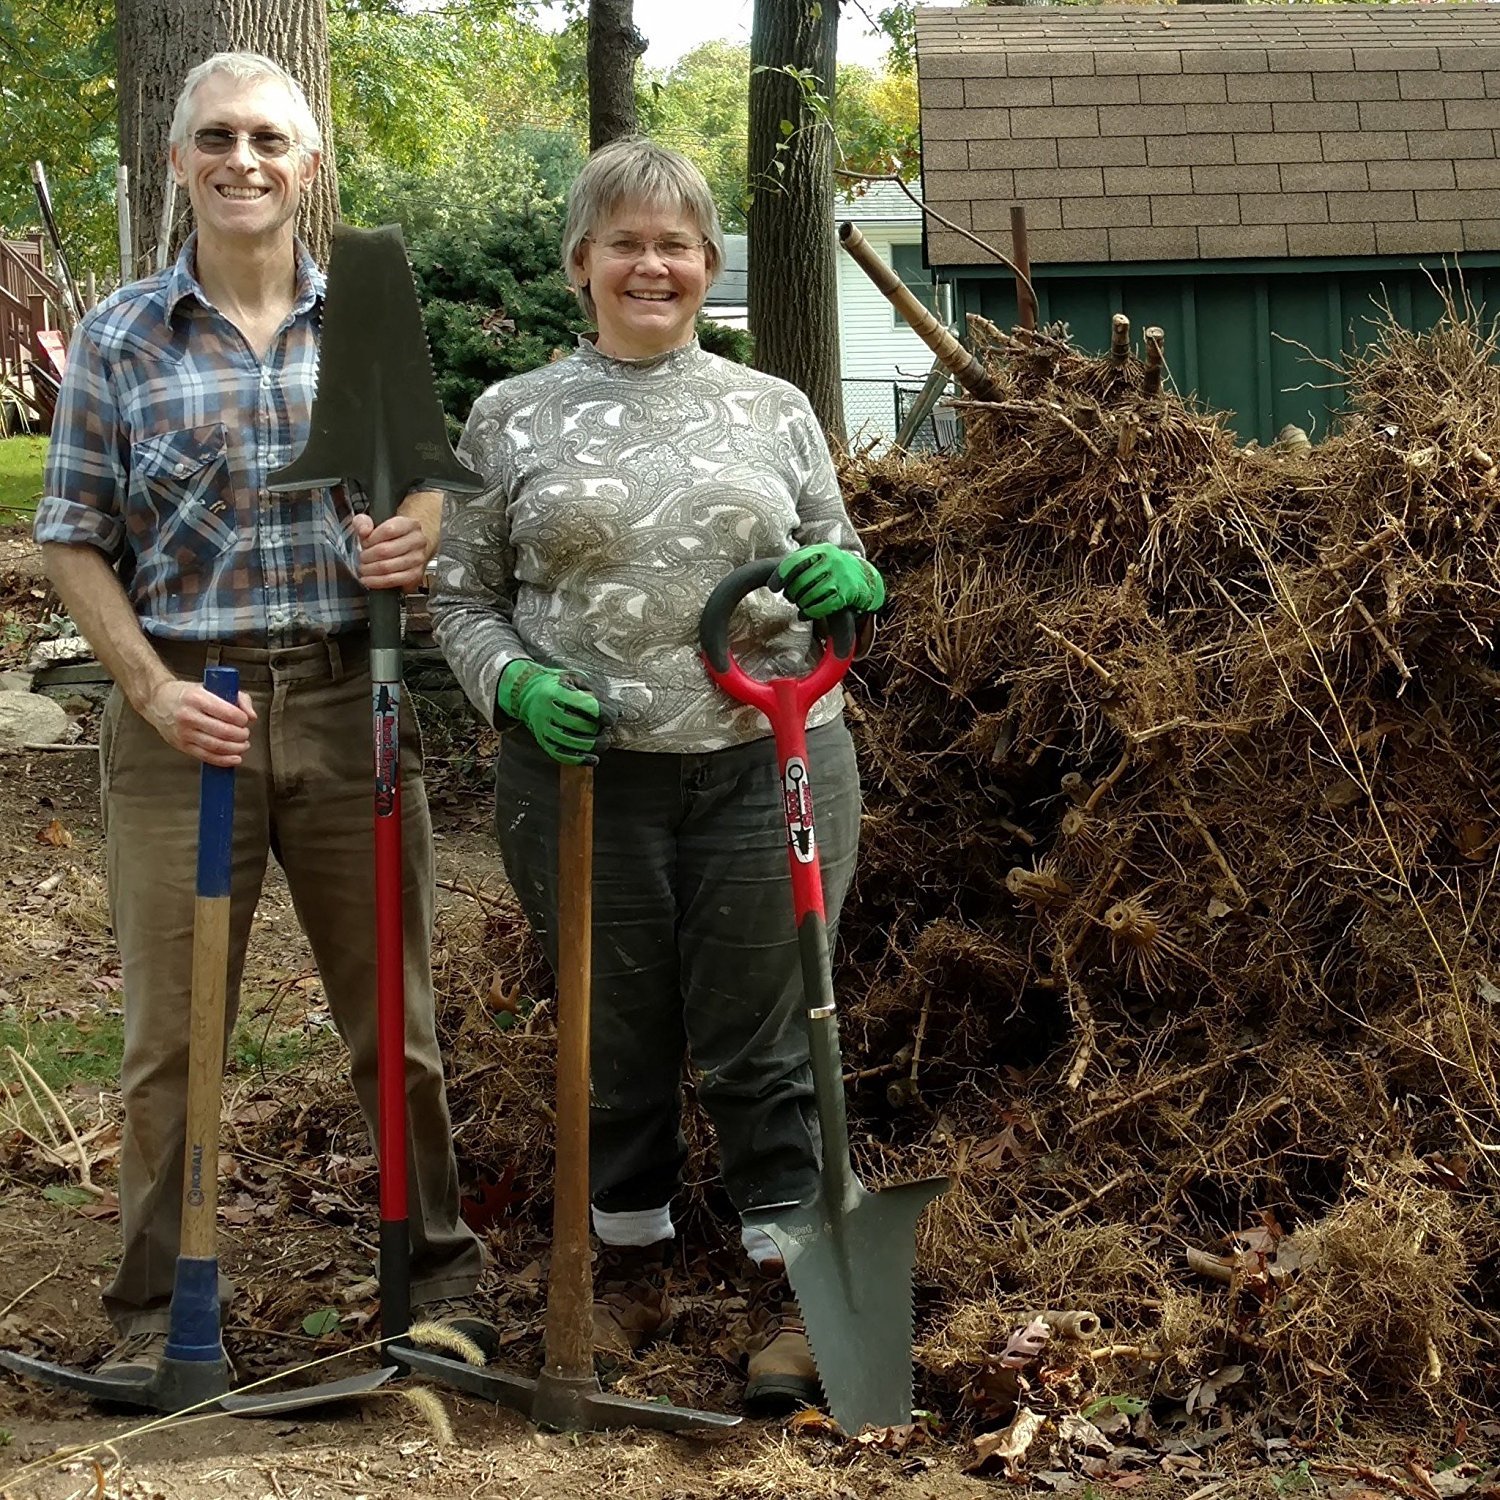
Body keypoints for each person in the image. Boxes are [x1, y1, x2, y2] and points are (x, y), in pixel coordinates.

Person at [33, 51, 488, 1378]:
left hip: (355, 702)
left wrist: (411, 542)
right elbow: (69, 538)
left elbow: (428, 493)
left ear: (308, 167)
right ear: (178, 164)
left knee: (394, 1022)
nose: (243, 159)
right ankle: (154, 1322)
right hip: (188, 708)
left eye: (270, 140)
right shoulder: (121, 338)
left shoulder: (369, 323)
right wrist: (151, 688)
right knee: (171, 1040)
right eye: (217, 138)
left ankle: (436, 1288)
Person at [429, 137, 886, 1412]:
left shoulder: (769, 406)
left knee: (771, 1042)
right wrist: (512, 685)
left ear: (707, 264)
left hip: (772, 762)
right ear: (580, 262)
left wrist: (854, 584)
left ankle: (787, 1290)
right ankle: (624, 1273)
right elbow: (461, 594)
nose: (652, 263)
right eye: (625, 241)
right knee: (614, 1039)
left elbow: (839, 556)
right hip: (585, 785)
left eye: (675, 243)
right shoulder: (510, 414)